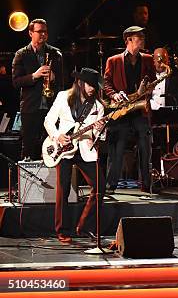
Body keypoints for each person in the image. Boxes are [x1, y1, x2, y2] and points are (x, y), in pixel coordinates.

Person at [43, 68, 106, 243]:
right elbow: (48, 120)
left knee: (100, 187)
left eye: (95, 85)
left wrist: (100, 131)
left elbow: (100, 137)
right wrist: (57, 136)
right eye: (90, 84)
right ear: (80, 83)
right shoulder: (63, 97)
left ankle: (84, 227)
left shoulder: (98, 106)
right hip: (62, 149)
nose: (93, 88)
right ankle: (62, 230)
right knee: (63, 189)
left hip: (85, 150)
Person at [103, 26, 155, 194]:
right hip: (121, 109)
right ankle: (111, 185)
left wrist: (146, 90)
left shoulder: (148, 59)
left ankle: (146, 184)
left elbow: (152, 80)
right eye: (138, 36)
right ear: (128, 40)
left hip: (139, 109)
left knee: (145, 147)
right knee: (117, 147)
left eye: (142, 36)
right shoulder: (114, 60)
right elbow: (106, 83)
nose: (142, 38)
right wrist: (114, 95)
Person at [12, 19, 62, 160]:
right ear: (30, 33)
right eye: (40, 31)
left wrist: (54, 78)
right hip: (30, 108)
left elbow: (64, 82)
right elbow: (16, 82)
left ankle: (51, 181)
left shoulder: (56, 53)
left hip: (51, 107)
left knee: (52, 146)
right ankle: (26, 181)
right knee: (29, 146)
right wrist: (34, 76)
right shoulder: (21, 54)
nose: (43, 34)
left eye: (45, 32)